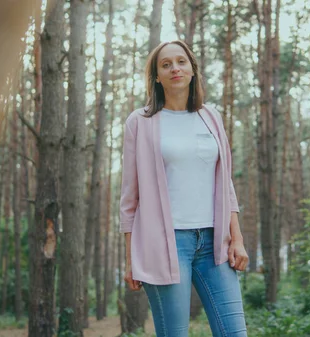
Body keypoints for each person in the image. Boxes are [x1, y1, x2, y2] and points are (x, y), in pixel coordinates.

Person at [119, 40, 249, 337]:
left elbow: (225, 181)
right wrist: (130, 259)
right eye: (166, 64)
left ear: (192, 70)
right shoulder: (140, 122)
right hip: (166, 244)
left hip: (216, 243)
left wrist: (237, 238)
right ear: (156, 76)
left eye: (181, 62)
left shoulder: (211, 117)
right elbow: (130, 198)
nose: (174, 68)